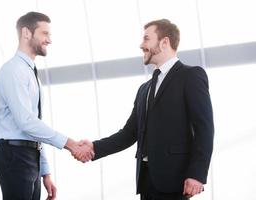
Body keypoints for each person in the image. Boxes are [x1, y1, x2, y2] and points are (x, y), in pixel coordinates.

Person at [79, 19, 214, 200]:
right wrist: (94, 147)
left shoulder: (190, 76)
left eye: (146, 39)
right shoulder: (144, 89)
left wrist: (197, 174)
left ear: (164, 42)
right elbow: (129, 133)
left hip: (176, 181)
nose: (141, 45)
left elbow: (204, 128)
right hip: (146, 181)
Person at [0, 11, 93, 200]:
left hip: (29, 156)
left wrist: (44, 171)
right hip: (15, 156)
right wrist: (71, 145)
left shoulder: (30, 72)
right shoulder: (13, 71)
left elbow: (35, 126)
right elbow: (26, 122)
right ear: (26, 33)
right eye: (45, 33)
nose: (49, 40)